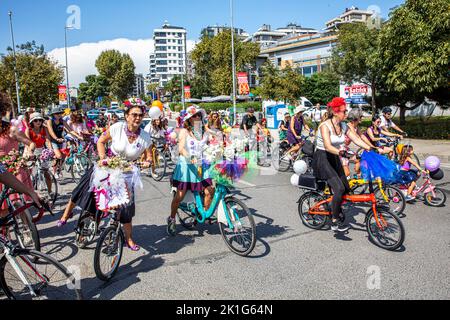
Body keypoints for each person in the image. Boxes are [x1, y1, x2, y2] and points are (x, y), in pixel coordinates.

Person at [58, 98, 152, 251]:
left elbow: (149, 156)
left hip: (127, 174)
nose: (137, 118)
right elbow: (100, 141)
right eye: (134, 114)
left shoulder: (145, 137)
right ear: (127, 115)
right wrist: (103, 158)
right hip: (108, 168)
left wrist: (147, 162)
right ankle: (66, 215)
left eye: (140, 115)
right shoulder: (117, 128)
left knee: (126, 208)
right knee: (86, 192)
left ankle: (128, 239)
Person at [312, 97, 373, 232]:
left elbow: (356, 139)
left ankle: (333, 205)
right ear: (335, 112)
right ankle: (334, 220)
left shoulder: (344, 126)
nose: (346, 114)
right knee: (338, 189)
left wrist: (371, 148)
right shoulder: (325, 126)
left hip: (334, 157)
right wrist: (343, 153)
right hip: (322, 158)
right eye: (344, 112)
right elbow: (327, 146)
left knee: (346, 188)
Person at [168, 106, 212, 236]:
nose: (197, 117)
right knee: (179, 197)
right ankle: (171, 219)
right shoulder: (184, 132)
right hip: (187, 166)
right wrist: (190, 157)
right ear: (189, 119)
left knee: (210, 191)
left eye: (198, 115)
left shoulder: (204, 131)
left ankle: (203, 212)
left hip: (202, 165)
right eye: (194, 116)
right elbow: (181, 149)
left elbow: (211, 145)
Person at [0, 93, 35, 208]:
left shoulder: (11, 129)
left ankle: (26, 224)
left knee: (17, 203)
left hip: (13, 169)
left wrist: (29, 152)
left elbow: (31, 143)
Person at [342, 109, 380, 178]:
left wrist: (372, 146)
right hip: (340, 149)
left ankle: (357, 176)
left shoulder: (356, 127)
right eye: (360, 116)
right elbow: (356, 138)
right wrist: (366, 147)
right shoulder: (349, 126)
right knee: (346, 173)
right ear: (356, 117)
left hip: (345, 148)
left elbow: (362, 136)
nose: (362, 118)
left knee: (358, 159)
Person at [25, 112, 54, 194]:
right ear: (31, 122)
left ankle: (49, 191)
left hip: (42, 150)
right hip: (30, 150)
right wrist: (30, 153)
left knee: (46, 173)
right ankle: (29, 192)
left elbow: (48, 140)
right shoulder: (28, 130)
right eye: (36, 120)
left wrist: (51, 150)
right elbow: (27, 143)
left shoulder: (44, 128)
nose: (38, 122)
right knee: (27, 173)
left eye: (40, 120)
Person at [46, 106, 75, 179]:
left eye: (60, 113)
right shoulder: (50, 121)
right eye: (57, 113)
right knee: (58, 156)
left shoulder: (62, 121)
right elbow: (51, 132)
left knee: (64, 156)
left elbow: (70, 130)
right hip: (53, 140)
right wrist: (56, 138)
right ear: (53, 114)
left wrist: (78, 136)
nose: (59, 115)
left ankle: (59, 169)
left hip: (62, 140)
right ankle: (54, 171)